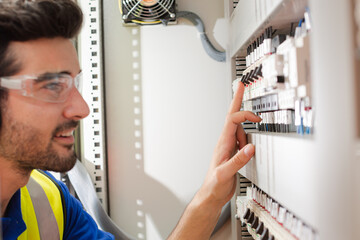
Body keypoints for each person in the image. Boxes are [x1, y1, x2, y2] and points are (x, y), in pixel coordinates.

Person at [0, 0, 261, 239]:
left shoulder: (48, 201)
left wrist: (212, 194)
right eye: (53, 85)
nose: (81, 109)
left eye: (74, 82)